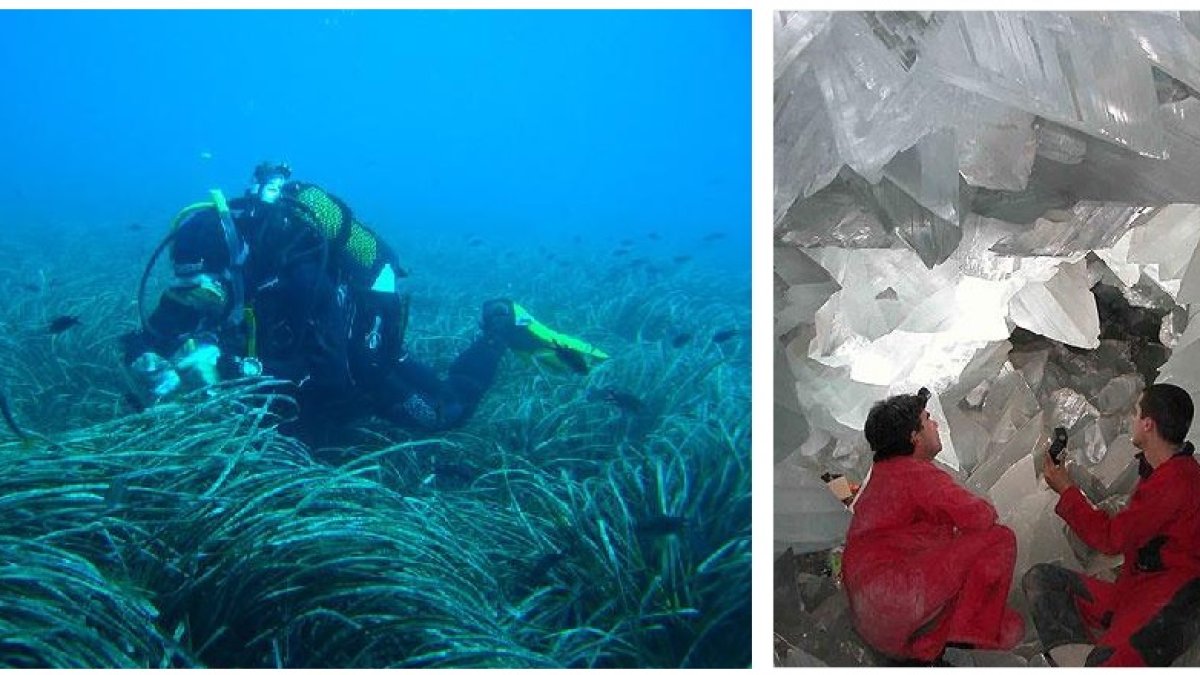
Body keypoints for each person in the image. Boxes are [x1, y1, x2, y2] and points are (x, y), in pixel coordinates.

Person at [120, 162, 608, 443]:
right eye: (192, 290)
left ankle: (502, 326)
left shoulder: (300, 278)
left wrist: (231, 367)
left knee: (442, 414)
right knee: (285, 426)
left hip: (355, 351)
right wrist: (144, 358)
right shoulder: (217, 275)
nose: (202, 303)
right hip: (291, 355)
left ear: (232, 263)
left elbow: (328, 371)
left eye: (208, 290)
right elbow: (157, 331)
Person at [842, 387, 1024, 665]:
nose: (935, 425)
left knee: (1012, 625)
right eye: (928, 419)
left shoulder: (882, 475)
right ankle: (965, 640)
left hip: (874, 618)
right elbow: (980, 516)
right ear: (914, 436)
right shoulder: (914, 473)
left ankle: (939, 638)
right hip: (897, 597)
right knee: (999, 538)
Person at [1024, 383, 1200, 667]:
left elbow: (1111, 539)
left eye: (1135, 412)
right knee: (1043, 581)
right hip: (1131, 593)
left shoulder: (1175, 483)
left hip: (1165, 608)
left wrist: (1066, 490)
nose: (1131, 420)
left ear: (1148, 424)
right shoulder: (1164, 472)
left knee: (1108, 663)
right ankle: (1077, 662)